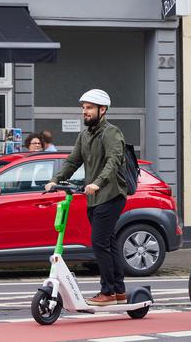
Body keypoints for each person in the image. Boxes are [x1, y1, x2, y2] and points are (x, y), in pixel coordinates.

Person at [45, 89, 128, 306]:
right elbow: (73, 162)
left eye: (89, 108)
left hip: (111, 195)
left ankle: (108, 292)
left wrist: (97, 183)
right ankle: (119, 291)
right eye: (83, 108)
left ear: (103, 110)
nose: (85, 112)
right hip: (93, 198)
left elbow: (114, 161)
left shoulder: (111, 133)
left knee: (99, 242)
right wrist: (56, 180)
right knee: (108, 242)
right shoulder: (85, 135)